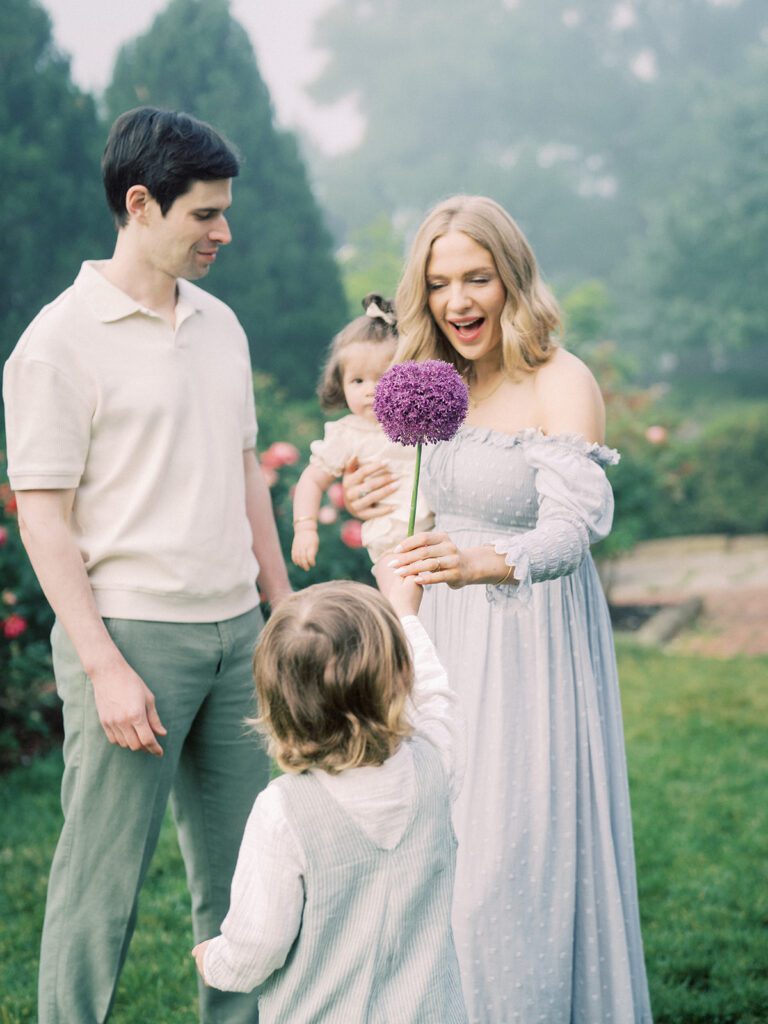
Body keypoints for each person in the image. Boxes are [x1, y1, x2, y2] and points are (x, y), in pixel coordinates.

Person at [2, 106, 292, 1024]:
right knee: (101, 886)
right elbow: (41, 518)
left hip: (239, 636)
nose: (224, 232)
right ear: (141, 204)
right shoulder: (57, 343)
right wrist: (104, 666)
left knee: (252, 883)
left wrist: (281, 608)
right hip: (132, 641)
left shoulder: (221, 325)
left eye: (224, 211)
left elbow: (247, 471)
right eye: (205, 214)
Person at [344, 194, 653, 1023]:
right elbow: (414, 512)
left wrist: (484, 561)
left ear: (511, 277)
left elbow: (574, 529)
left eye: (476, 277)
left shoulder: (561, 379)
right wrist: (384, 509)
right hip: (441, 639)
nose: (458, 302)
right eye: (440, 283)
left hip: (530, 643)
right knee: (438, 855)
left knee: (510, 860)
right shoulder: (432, 384)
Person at [191, 576, 468, 1023]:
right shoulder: (437, 761)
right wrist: (406, 614)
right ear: (401, 677)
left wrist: (215, 960)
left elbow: (257, 946)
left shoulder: (282, 812)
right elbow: (436, 698)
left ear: (276, 701)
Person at [291, 294, 432, 575]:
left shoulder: (424, 421)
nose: (370, 390)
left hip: (436, 538)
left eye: (382, 377)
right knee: (401, 600)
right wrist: (305, 527)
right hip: (389, 544)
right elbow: (313, 480)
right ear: (339, 384)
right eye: (357, 380)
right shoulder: (348, 434)